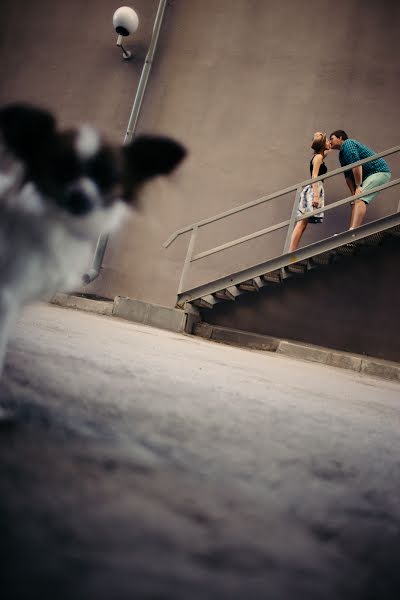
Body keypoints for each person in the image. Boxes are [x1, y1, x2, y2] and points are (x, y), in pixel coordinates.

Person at [329, 130, 391, 230]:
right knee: (355, 200)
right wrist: (353, 194)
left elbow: (357, 165)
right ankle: (351, 231)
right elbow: (348, 176)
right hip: (368, 176)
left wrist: (358, 186)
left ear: (340, 138)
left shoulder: (348, 144)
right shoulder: (341, 155)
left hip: (378, 171)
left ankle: (353, 231)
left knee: (360, 198)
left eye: (331, 138)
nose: (330, 142)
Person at [289, 131, 330, 252]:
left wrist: (321, 137)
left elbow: (328, 150)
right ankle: (291, 252)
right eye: (327, 141)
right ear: (323, 145)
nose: (329, 143)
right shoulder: (318, 158)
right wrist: (316, 196)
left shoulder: (320, 155)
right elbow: (315, 176)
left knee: (303, 224)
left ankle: (293, 251)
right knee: (302, 223)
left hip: (315, 189)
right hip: (313, 190)